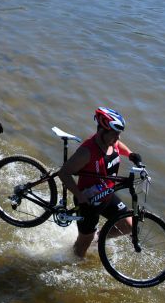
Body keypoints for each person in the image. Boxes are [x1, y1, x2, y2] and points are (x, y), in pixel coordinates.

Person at [57, 107, 141, 259]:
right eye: (115, 134)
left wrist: (131, 155)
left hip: (106, 195)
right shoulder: (87, 152)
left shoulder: (111, 142)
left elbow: (118, 147)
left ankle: (99, 238)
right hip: (88, 202)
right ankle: (73, 264)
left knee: (129, 225)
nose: (118, 138)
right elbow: (63, 173)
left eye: (119, 134)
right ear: (102, 131)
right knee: (81, 249)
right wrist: (80, 196)